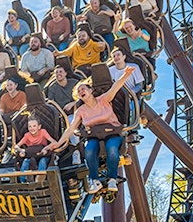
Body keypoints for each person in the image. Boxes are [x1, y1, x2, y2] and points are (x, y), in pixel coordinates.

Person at [44, 65, 135, 194]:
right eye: (78, 91)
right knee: (89, 150)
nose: (81, 91)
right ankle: (94, 180)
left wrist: (125, 75)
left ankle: (112, 179)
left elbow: (116, 87)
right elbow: (71, 129)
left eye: (83, 88)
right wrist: (59, 143)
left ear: (90, 90)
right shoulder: (81, 110)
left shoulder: (103, 99)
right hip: (94, 135)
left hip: (112, 132)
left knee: (112, 149)